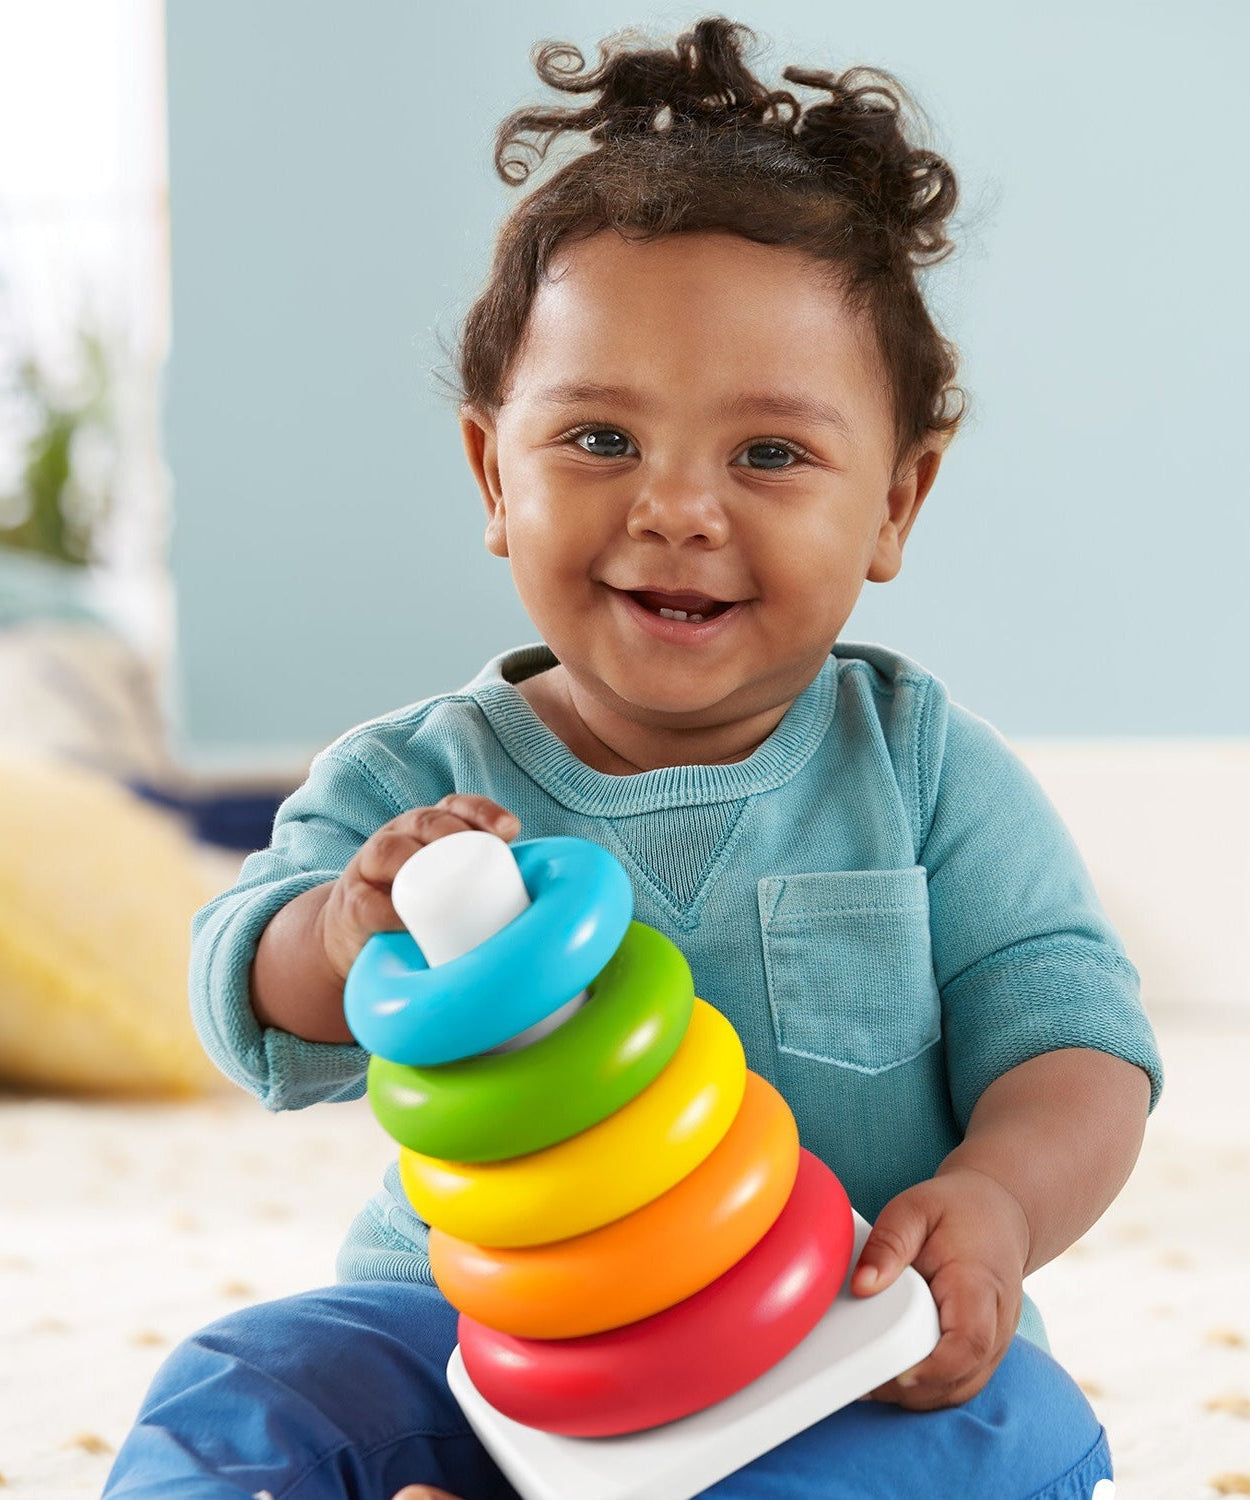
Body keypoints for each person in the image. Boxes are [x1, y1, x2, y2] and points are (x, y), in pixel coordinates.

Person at [104, 16, 1163, 1500]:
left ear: (894, 505)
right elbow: (248, 994)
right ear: (493, 472)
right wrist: (344, 929)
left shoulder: (923, 771)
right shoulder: (413, 785)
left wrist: (991, 1204)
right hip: (490, 1347)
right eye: (598, 439)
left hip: (843, 1343)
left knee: (1024, 1435)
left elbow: (1076, 1050)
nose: (673, 508)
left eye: (769, 455)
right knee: (256, 1383)